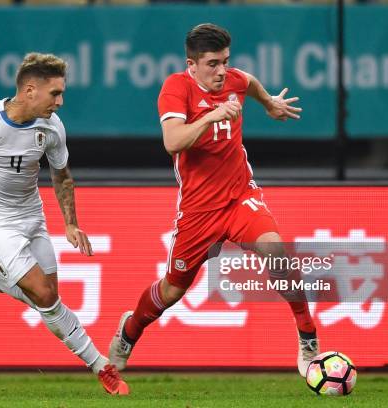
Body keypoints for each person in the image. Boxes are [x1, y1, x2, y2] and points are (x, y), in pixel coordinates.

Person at [109, 23, 319, 377]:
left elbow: (247, 80)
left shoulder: (233, 80)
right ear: (192, 64)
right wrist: (211, 116)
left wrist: (268, 103)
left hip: (240, 196)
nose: (222, 71)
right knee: (172, 291)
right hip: (199, 210)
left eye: (225, 61)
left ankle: (308, 336)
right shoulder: (176, 89)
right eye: (212, 64)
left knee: (275, 250)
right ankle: (129, 332)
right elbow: (173, 141)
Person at [0, 52, 129, 395]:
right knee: (45, 296)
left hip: (32, 217)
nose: (60, 102)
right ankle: (101, 366)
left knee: (47, 297)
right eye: (55, 93)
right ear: (30, 90)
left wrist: (71, 224)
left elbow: (62, 177)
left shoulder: (51, 128)